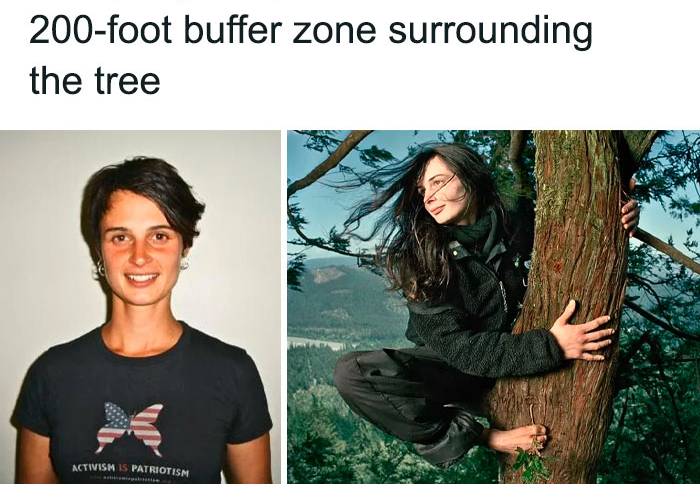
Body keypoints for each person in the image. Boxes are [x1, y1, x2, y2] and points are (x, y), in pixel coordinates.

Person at [333, 143, 639, 468]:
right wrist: (552, 347)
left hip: (508, 345)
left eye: (438, 182)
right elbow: (462, 350)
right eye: (423, 190)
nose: (429, 197)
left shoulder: (515, 220)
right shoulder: (422, 260)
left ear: (469, 176)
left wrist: (619, 215)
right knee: (351, 375)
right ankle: (488, 437)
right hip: (455, 366)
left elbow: (575, 227)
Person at [14, 157, 273, 484]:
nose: (139, 256)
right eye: (120, 237)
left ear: (185, 245)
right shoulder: (51, 373)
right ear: (99, 249)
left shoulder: (233, 373)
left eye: (159, 236)